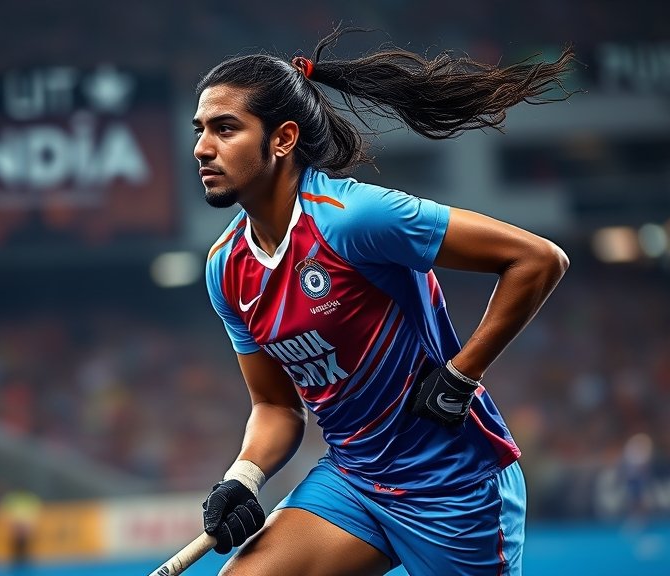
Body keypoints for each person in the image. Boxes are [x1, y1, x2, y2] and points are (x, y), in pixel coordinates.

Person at [195, 27, 575, 576]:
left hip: (453, 486)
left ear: (281, 139)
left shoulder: (353, 218)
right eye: (200, 129)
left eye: (225, 128)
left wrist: (461, 374)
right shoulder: (225, 267)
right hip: (354, 481)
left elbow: (538, 259)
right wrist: (243, 478)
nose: (202, 147)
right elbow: (277, 407)